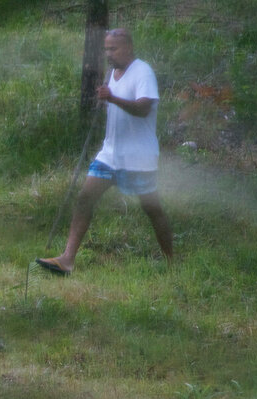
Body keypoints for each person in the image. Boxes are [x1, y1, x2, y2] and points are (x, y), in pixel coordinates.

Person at [37, 28, 173, 275]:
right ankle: (67, 260)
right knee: (84, 198)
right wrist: (104, 100)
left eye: (114, 49)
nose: (109, 54)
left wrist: (112, 99)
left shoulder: (143, 72)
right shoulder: (113, 73)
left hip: (138, 158)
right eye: (106, 49)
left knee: (152, 209)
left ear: (129, 47)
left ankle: (172, 262)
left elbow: (143, 108)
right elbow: (115, 102)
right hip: (110, 155)